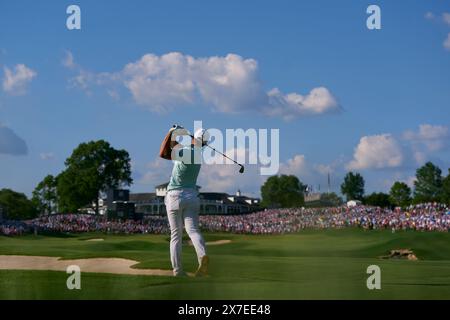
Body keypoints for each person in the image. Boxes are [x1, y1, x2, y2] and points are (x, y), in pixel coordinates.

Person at [159, 125, 209, 277]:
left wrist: (171, 132)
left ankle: (178, 271)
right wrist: (178, 134)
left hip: (175, 196)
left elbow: (164, 152)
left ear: (194, 139)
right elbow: (175, 147)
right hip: (192, 196)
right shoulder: (198, 154)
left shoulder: (186, 152)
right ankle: (202, 256)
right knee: (193, 230)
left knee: (176, 235)